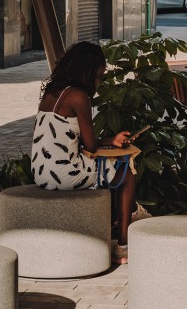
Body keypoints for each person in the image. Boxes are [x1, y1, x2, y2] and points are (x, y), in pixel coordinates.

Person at [30, 41, 138, 265]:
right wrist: (112, 145)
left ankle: (132, 215)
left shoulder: (52, 93)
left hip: (41, 173)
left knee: (113, 169)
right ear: (87, 72)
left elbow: (71, 139)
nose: (97, 82)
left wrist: (112, 140)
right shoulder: (79, 97)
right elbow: (89, 146)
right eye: (98, 77)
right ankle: (123, 246)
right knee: (126, 175)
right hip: (64, 173)